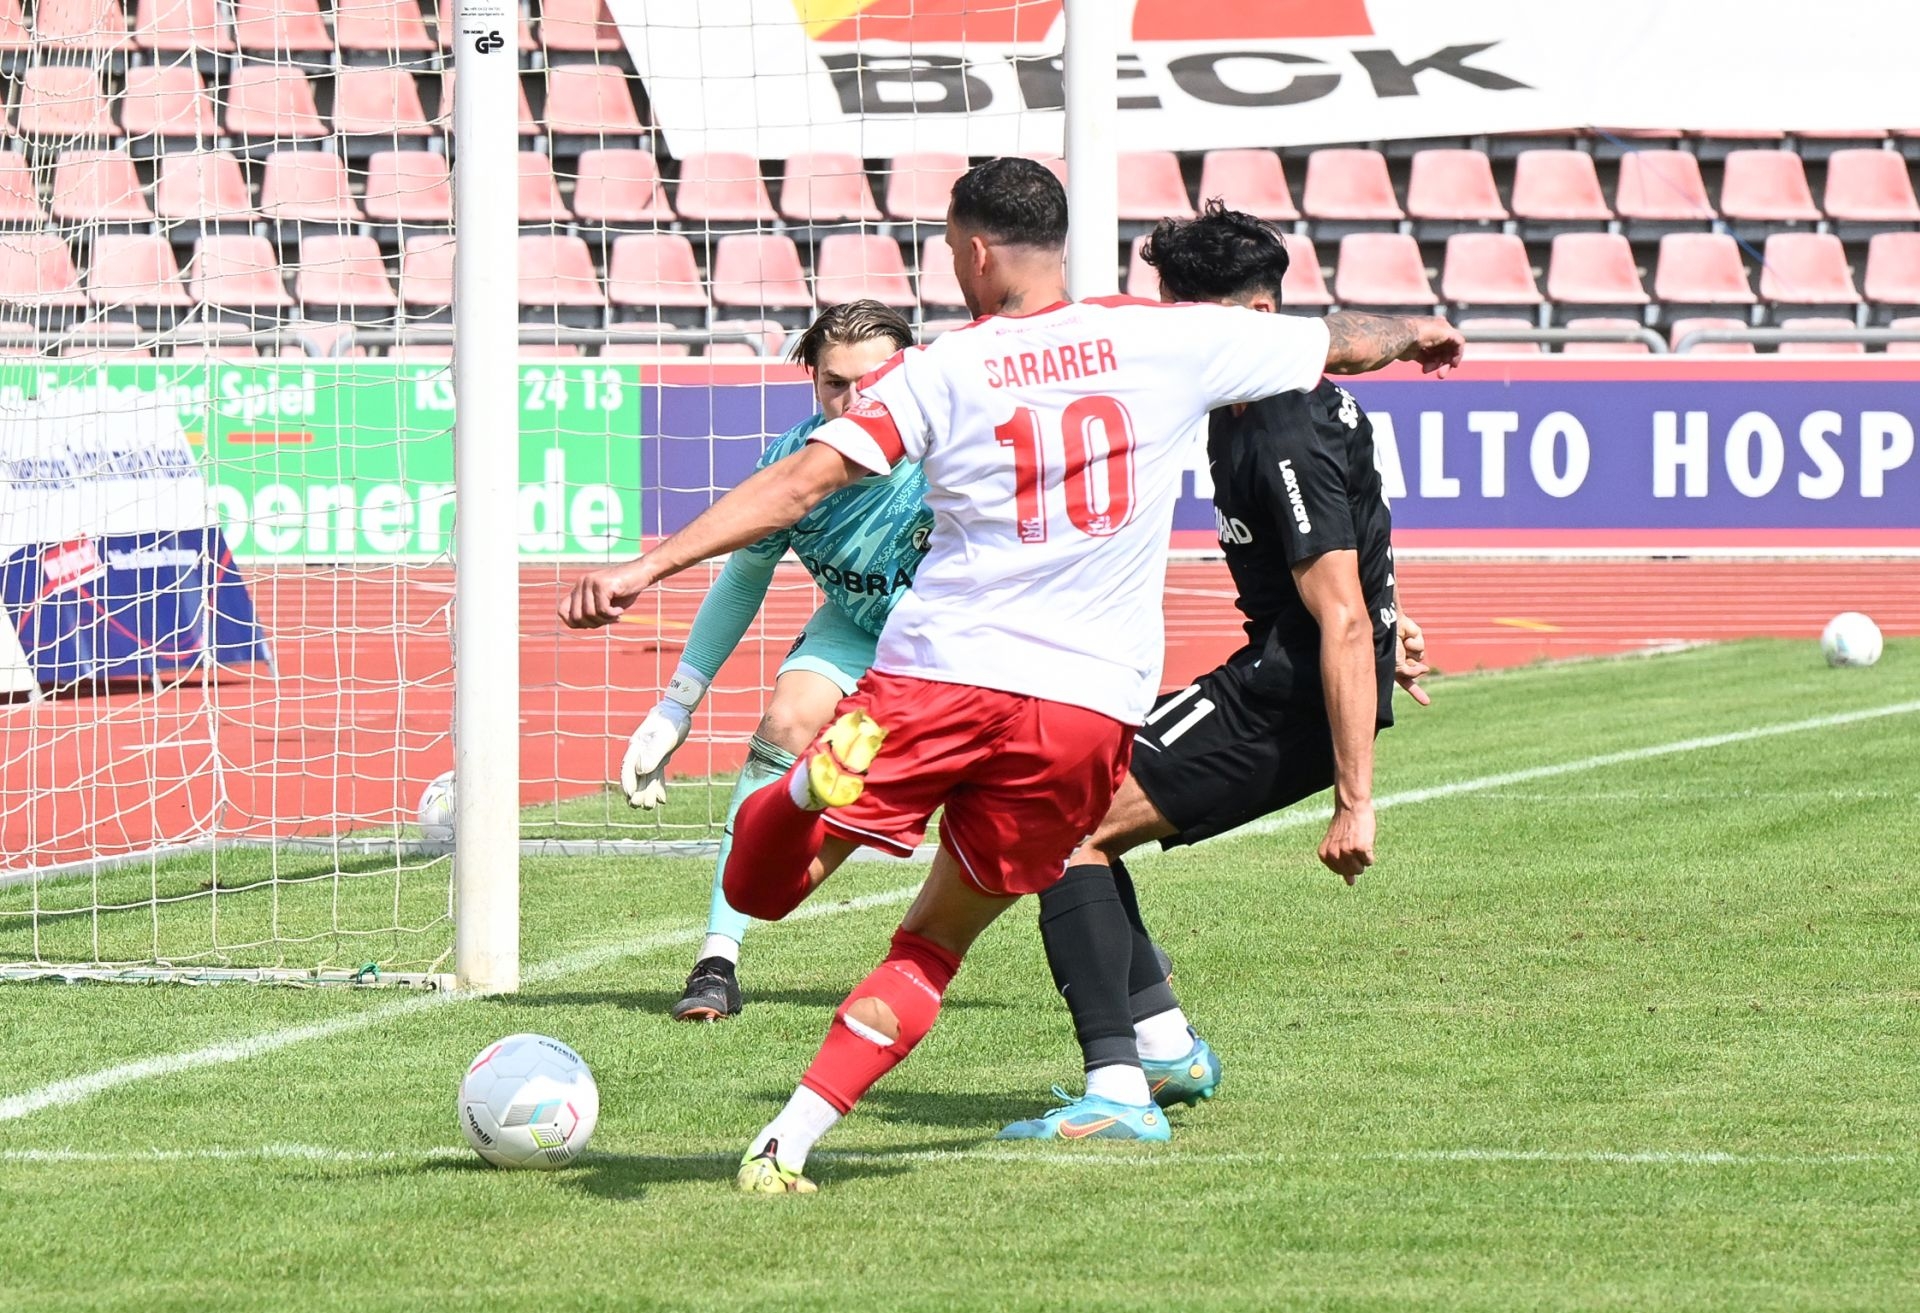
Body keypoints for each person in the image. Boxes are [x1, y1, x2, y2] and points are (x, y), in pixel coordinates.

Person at [560, 158, 1465, 1192]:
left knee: (760, 890)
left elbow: (801, 481)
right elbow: (1340, 338)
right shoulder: (1162, 336)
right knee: (934, 943)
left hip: (941, 675)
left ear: (978, 251)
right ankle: (788, 1140)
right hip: (1084, 710)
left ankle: (810, 787)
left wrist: (645, 568)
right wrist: (1418, 332)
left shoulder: (943, 368)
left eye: (951, 250)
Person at [1001, 202, 1434, 1140]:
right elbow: (1354, 562)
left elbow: (1339, 615)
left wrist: (1356, 803)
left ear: (1255, 319)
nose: (1174, 335)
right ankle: (1162, 1048)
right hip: (1283, 677)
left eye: (1189, 317)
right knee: (1064, 805)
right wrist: (1389, 623)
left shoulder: (1281, 422)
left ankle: (1122, 1091)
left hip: (1289, 700)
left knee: (1062, 823)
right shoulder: (1245, 404)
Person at [617, 301, 925, 1022]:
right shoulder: (792, 466)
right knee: (784, 724)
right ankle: (717, 959)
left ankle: (1117, 951)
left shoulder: (949, 450)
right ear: (813, 381)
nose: (854, 401)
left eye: (872, 383)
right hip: (856, 628)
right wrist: (676, 704)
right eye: (835, 384)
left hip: (956, 642)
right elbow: (742, 580)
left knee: (1036, 798)